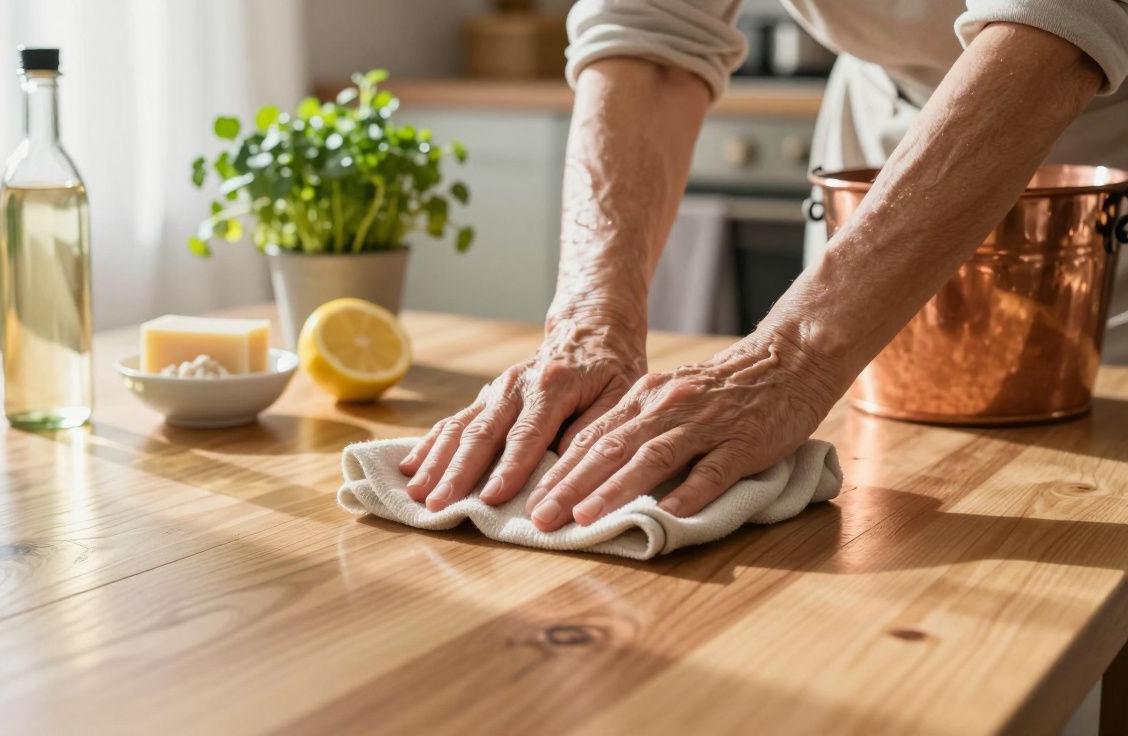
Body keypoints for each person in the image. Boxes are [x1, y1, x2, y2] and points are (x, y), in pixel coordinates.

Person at [401, 1, 1128, 531]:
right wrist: (589, 323)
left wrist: (793, 357)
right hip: (882, 126)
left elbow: (1059, 23)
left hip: (1098, 129)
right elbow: (650, 38)